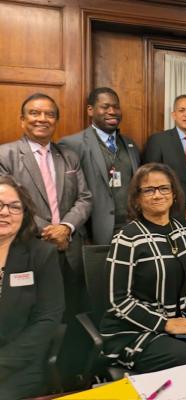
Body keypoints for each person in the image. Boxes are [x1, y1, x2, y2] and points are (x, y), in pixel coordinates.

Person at [100, 163, 186, 372]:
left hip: (178, 322)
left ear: (174, 193)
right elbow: (118, 300)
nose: (157, 195)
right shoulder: (127, 238)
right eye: (148, 190)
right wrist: (164, 323)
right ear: (137, 198)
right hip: (134, 329)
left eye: (164, 188)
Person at [0, 93, 92, 317]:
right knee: (31, 315)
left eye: (49, 114)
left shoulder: (69, 156)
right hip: (28, 248)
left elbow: (85, 198)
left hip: (69, 250)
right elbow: (8, 204)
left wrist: (66, 227)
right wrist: (51, 231)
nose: (42, 118)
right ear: (22, 119)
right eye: (34, 113)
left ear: (55, 121)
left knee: (73, 315)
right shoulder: (5, 155)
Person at [0, 175, 64, 399]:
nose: (5, 212)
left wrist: (4, 363)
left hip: (19, 364)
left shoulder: (41, 254)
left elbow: (48, 318)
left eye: (15, 207)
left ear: (25, 214)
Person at [59, 87, 141, 244]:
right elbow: (66, 196)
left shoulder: (130, 144)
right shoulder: (72, 144)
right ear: (90, 110)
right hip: (93, 233)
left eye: (116, 107)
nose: (112, 111)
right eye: (105, 107)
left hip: (131, 229)